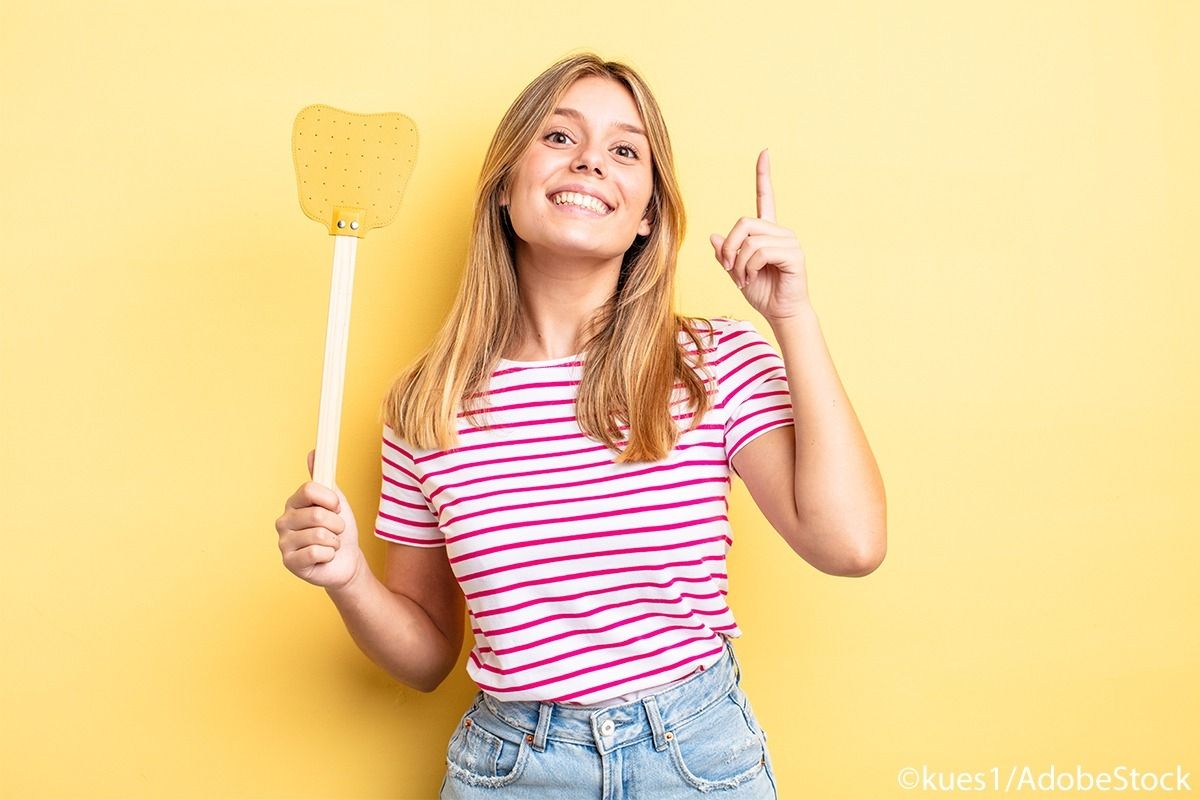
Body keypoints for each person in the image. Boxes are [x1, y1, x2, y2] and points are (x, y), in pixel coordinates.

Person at [275, 51, 886, 799]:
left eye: (625, 151)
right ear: (505, 184)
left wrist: (791, 317)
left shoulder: (709, 364)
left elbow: (850, 546)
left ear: (647, 215)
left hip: (697, 759)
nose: (592, 162)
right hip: (514, 769)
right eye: (560, 137)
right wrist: (347, 580)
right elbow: (427, 655)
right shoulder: (423, 405)